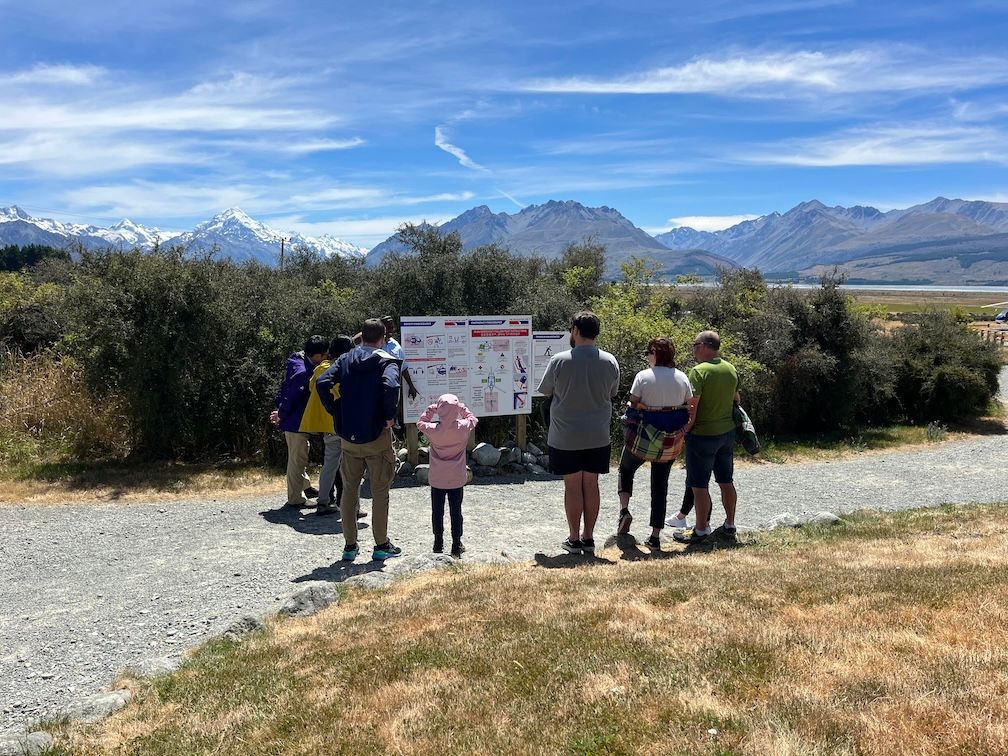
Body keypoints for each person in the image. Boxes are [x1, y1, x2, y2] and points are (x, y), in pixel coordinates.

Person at [317, 318, 402, 562]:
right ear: (383, 338)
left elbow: (324, 383)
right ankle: (381, 545)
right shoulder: (387, 362)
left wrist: (336, 410)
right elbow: (390, 386)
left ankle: (350, 546)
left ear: (361, 337)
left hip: (349, 437)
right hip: (377, 437)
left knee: (349, 492)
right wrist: (388, 416)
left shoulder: (345, 359)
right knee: (379, 492)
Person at [536, 311, 620, 555]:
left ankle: (573, 538)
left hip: (565, 436)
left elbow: (546, 391)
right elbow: (612, 393)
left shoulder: (560, 360)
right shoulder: (610, 361)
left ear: (574, 330)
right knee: (591, 485)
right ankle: (589, 537)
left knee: (572, 487)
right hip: (598, 435)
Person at [616, 338, 694, 549]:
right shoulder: (682, 377)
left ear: (656, 354)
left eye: (649, 352)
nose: (647, 356)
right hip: (669, 442)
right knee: (660, 486)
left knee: (625, 468)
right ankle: (655, 535)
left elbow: (633, 401)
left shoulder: (643, 376)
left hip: (644, 439)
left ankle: (624, 510)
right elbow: (688, 404)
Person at [674, 330, 740, 544]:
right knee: (726, 481)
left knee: (699, 485)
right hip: (727, 434)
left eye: (695, 344)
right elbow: (736, 400)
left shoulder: (698, 371)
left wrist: (683, 431)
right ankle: (730, 524)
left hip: (702, 435)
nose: (693, 349)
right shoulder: (730, 369)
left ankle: (701, 530)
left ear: (703, 345)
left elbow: (693, 408)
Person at [417, 393, 478, 558]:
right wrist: (460, 408)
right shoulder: (463, 427)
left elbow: (420, 423)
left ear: (440, 410)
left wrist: (432, 408)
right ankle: (456, 545)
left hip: (437, 478)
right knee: (456, 511)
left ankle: (438, 543)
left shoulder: (433, 430)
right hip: (457, 478)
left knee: (437, 512)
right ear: (456, 410)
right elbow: (473, 418)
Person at [271, 335, 329, 508]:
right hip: (295, 421)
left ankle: (305, 486)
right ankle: (295, 498)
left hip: (295, 420)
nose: (326, 358)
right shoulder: (303, 373)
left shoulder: (299, 362)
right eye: (324, 355)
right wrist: (281, 413)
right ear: (317, 356)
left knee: (301, 453)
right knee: (297, 459)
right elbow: (290, 396)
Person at [302, 335, 355, 517]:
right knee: (351, 467)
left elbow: (312, 388)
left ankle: (323, 502)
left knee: (329, 465)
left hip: (327, 426)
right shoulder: (345, 368)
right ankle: (353, 508)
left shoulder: (320, 369)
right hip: (345, 423)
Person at [380, 315, 419, 402]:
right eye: (388, 327)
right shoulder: (374, 344)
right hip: (377, 387)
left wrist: (411, 386)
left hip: (392, 387)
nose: (391, 329)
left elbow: (403, 367)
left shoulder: (395, 345)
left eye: (392, 327)